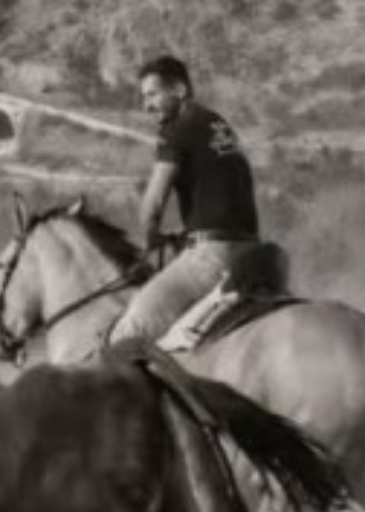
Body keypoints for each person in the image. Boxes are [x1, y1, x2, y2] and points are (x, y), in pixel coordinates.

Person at [109, 55, 269, 344]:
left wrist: (151, 240)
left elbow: (153, 206)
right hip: (252, 251)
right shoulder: (217, 124)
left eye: (153, 94)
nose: (146, 106)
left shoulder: (176, 130)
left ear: (180, 90)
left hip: (212, 258)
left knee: (128, 332)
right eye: (144, 97)